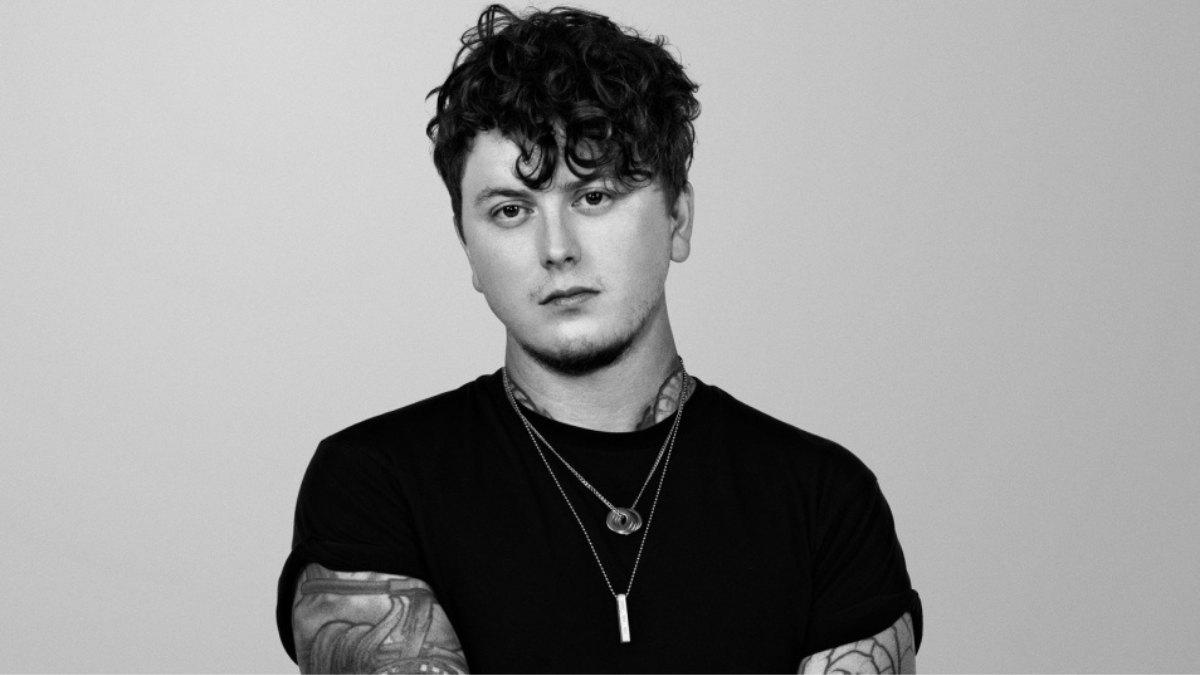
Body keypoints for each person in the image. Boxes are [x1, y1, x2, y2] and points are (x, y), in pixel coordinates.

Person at [276, 5, 921, 673]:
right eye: (510, 210)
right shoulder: (375, 484)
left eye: (594, 197)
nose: (556, 248)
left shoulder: (823, 500)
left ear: (678, 218)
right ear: (468, 248)